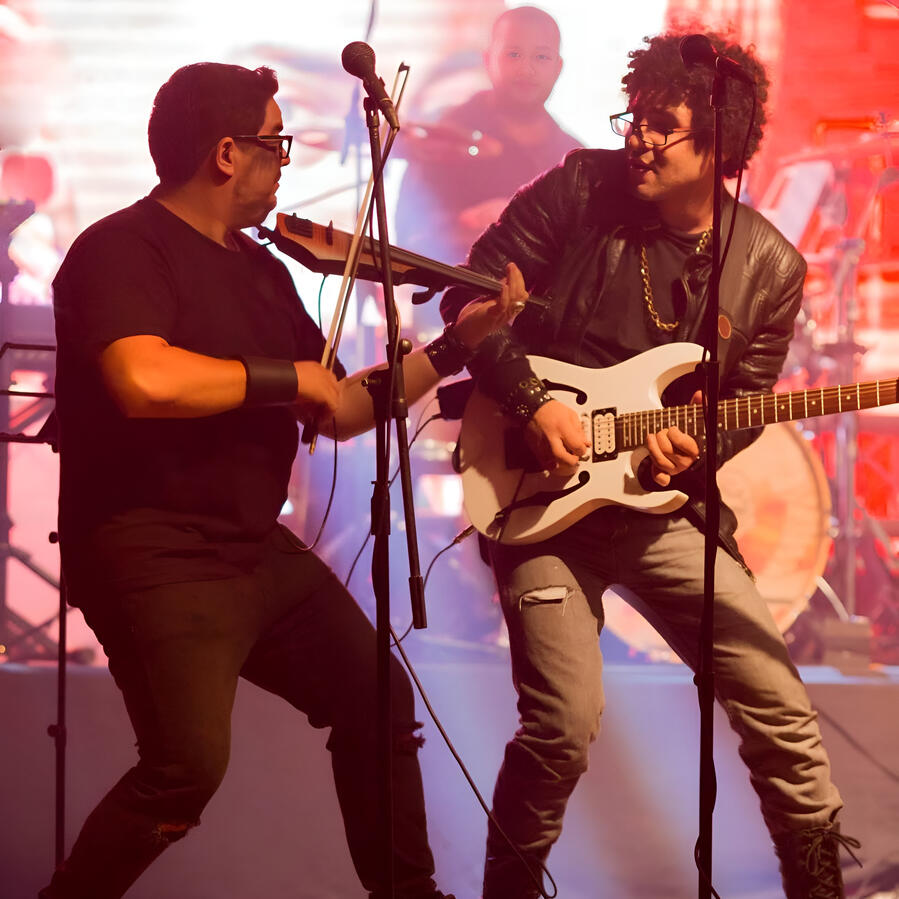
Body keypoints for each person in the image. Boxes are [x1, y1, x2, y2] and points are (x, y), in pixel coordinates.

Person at [42, 61, 526, 899]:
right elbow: (141, 379)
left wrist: (454, 347)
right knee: (184, 769)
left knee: (376, 695)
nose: (284, 162)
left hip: (251, 551)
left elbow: (337, 407)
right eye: (275, 144)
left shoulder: (263, 271)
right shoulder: (119, 249)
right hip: (147, 548)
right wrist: (280, 377)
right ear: (226, 154)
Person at [440, 31, 861, 899]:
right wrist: (531, 400)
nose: (635, 136)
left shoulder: (768, 267)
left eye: (658, 124)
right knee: (561, 724)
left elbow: (739, 402)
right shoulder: (578, 187)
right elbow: (468, 296)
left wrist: (692, 447)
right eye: (631, 116)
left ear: (719, 144)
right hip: (534, 495)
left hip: (659, 510)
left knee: (781, 714)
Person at [395, 5, 580, 299]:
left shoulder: (573, 159)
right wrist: (466, 226)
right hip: (457, 307)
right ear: (488, 60)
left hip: (541, 320)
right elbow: (411, 240)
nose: (526, 69)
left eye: (541, 56)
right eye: (513, 54)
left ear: (558, 67)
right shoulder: (448, 137)